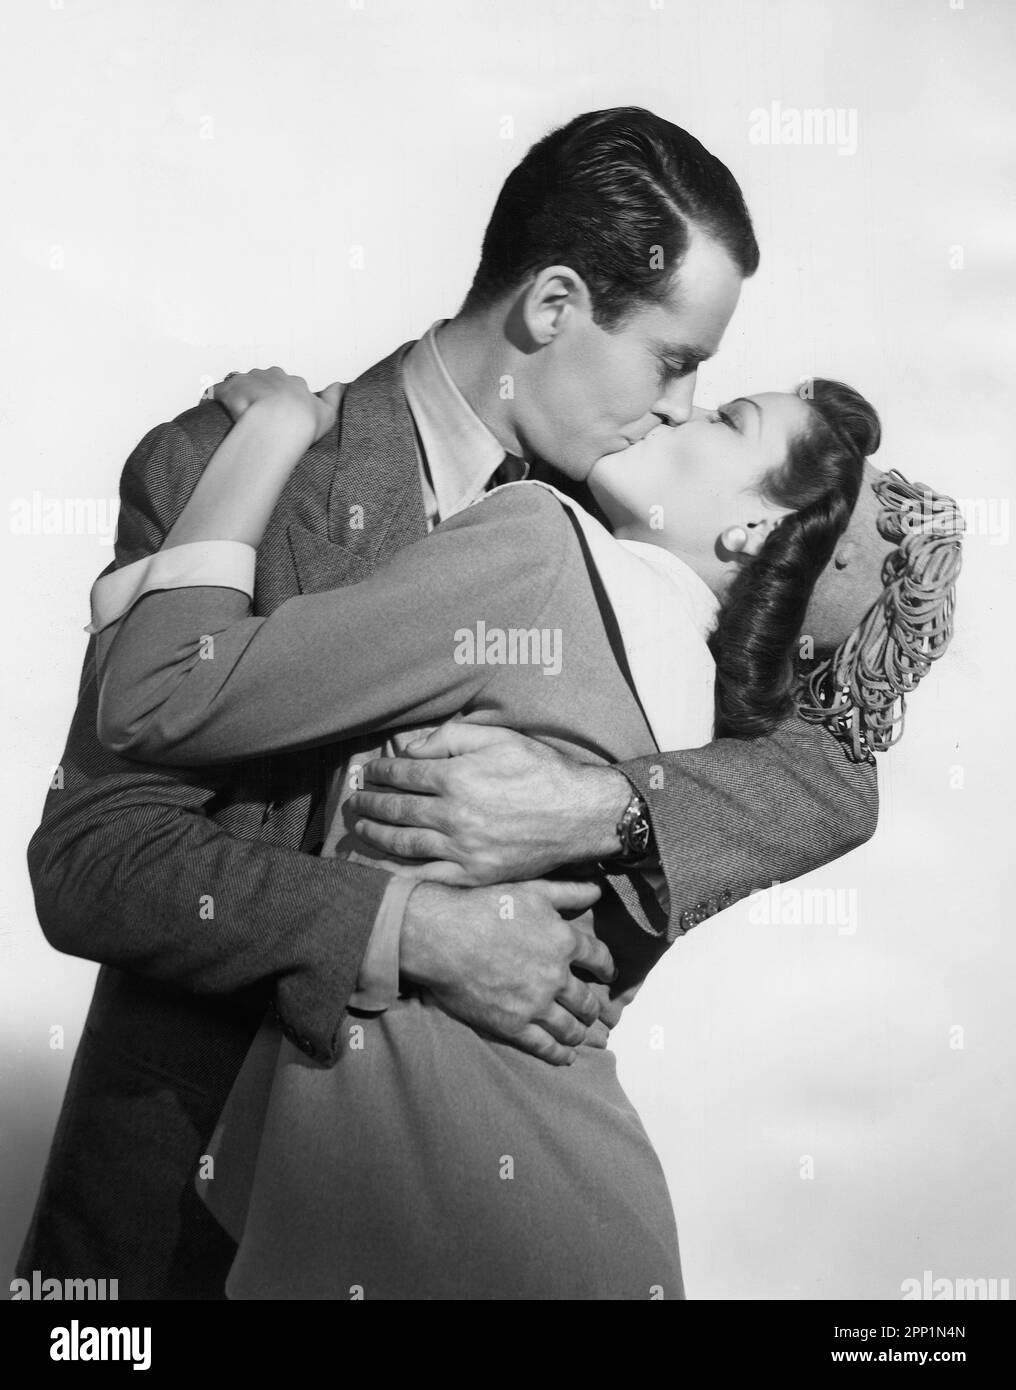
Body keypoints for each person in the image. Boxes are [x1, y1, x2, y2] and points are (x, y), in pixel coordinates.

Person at [19, 107, 879, 1299]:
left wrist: (598, 806)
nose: (683, 405)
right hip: (172, 1219)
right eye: (675, 362)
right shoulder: (232, 468)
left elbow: (835, 770)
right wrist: (411, 929)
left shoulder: (633, 523)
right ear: (553, 307)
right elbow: (92, 858)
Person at [84, 364, 961, 1299]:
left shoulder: (545, 545)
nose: (679, 402)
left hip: (441, 1200)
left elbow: (163, 693)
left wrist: (271, 427)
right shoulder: (701, 699)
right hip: (557, 1216)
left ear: (751, 533)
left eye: (725, 417)